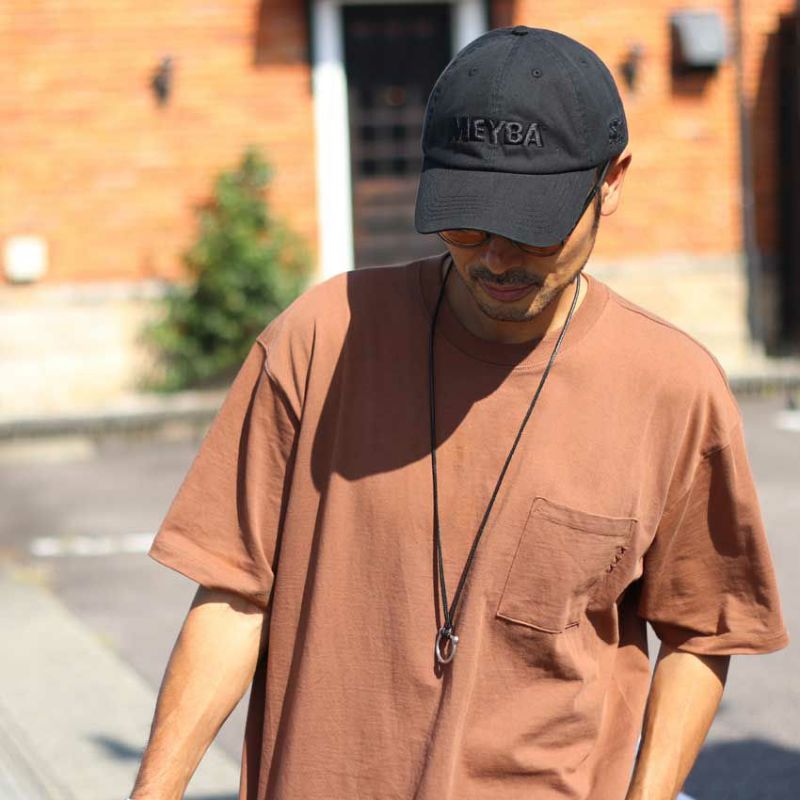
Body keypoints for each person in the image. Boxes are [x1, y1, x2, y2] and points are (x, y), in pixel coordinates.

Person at [128, 26, 789, 800]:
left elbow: (702, 631)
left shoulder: (671, 390)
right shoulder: (322, 341)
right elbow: (234, 596)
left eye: (533, 227)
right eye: (467, 222)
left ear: (611, 182)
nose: (497, 258)